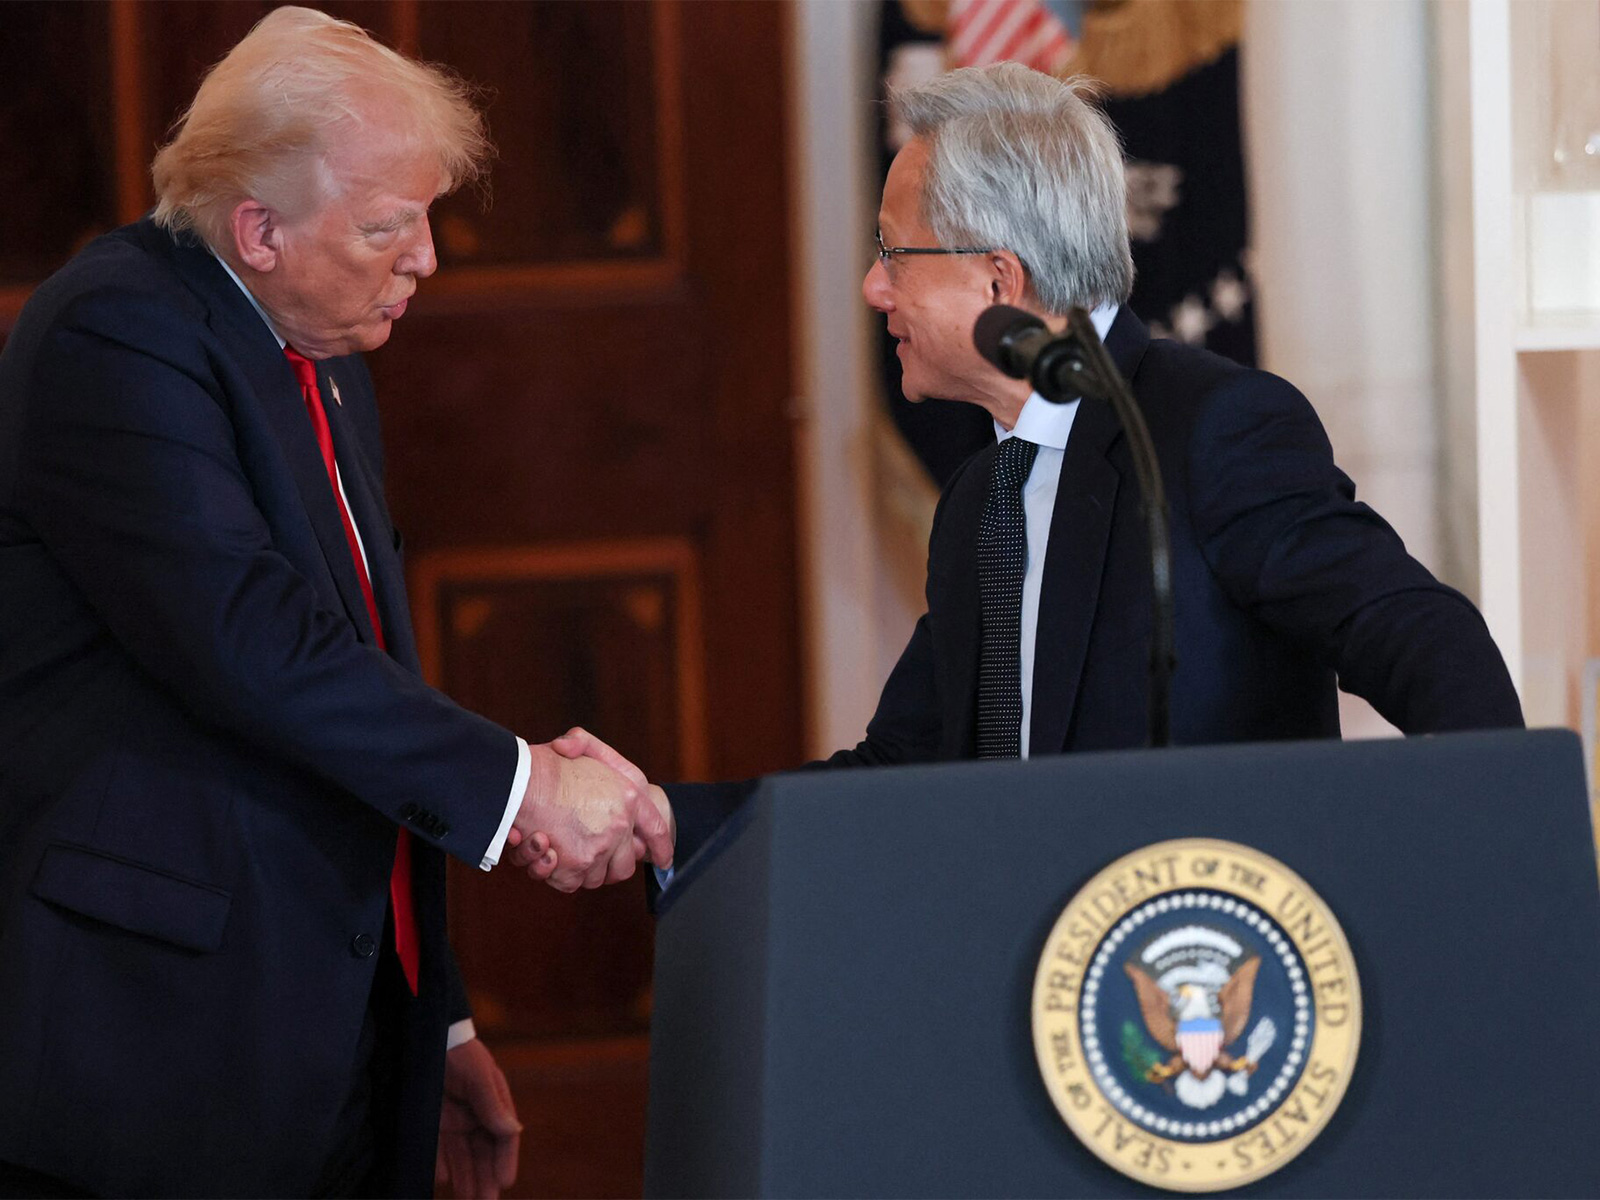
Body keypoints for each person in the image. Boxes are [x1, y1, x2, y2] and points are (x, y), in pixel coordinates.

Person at [0, 8, 669, 1197]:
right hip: (159, 1056)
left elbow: (357, 679)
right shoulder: (115, 334)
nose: (425, 261)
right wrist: (526, 787)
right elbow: (251, 641)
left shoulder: (321, 352)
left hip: (332, 1023)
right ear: (257, 229)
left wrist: (438, 1018)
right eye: (388, 227)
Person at [636, 62, 1524, 868]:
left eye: (892, 253)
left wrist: (1473, 877)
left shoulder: (1210, 429)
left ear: (997, 281)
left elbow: (1422, 640)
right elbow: (902, 769)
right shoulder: (984, 495)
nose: (874, 288)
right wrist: (665, 820)